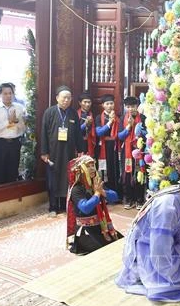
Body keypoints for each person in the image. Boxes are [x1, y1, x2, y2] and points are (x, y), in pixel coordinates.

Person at [116, 167, 180, 302]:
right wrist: (173, 273)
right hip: (146, 245)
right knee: (171, 286)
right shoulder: (167, 206)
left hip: (162, 241)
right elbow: (159, 247)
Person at [41, 85, 86, 216]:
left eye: (69, 98)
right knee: (53, 179)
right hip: (53, 152)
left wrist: (81, 150)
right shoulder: (49, 112)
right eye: (64, 97)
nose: (66, 100)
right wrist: (44, 152)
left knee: (67, 178)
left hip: (69, 152)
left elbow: (78, 133)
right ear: (57, 98)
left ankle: (65, 205)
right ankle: (53, 207)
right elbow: (43, 133)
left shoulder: (73, 113)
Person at [67, 155, 122, 254]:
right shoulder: (77, 189)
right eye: (88, 166)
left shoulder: (95, 183)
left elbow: (115, 196)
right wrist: (97, 194)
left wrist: (103, 192)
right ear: (81, 170)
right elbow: (85, 208)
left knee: (121, 242)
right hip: (86, 231)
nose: (92, 168)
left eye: (93, 165)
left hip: (101, 226)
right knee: (111, 250)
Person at [0, 83, 26, 185]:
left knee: (13, 173)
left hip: (15, 143)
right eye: (5, 93)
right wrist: (8, 122)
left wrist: (17, 122)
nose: (8, 96)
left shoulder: (20, 108)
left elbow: (23, 129)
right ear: (0, 94)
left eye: (10, 93)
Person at [120, 96, 146, 209]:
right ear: (125, 107)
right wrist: (128, 127)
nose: (131, 109)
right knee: (127, 174)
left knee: (140, 173)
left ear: (137, 106)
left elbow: (147, 134)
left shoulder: (143, 118)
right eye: (128, 107)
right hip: (127, 150)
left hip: (140, 150)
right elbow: (120, 136)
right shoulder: (122, 118)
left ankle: (139, 199)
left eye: (133, 106)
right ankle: (128, 198)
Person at [96, 94, 122, 197]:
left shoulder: (118, 117)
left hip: (115, 146)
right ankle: (105, 195)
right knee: (104, 170)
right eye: (107, 104)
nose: (110, 106)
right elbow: (99, 132)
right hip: (104, 146)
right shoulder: (99, 117)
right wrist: (110, 122)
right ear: (103, 105)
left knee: (115, 169)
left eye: (111, 103)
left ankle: (116, 195)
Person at [77, 93, 96, 157]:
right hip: (79, 141)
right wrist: (85, 124)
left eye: (89, 102)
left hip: (89, 141)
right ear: (80, 103)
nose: (87, 104)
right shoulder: (75, 114)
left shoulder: (92, 114)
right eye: (85, 102)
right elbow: (75, 130)